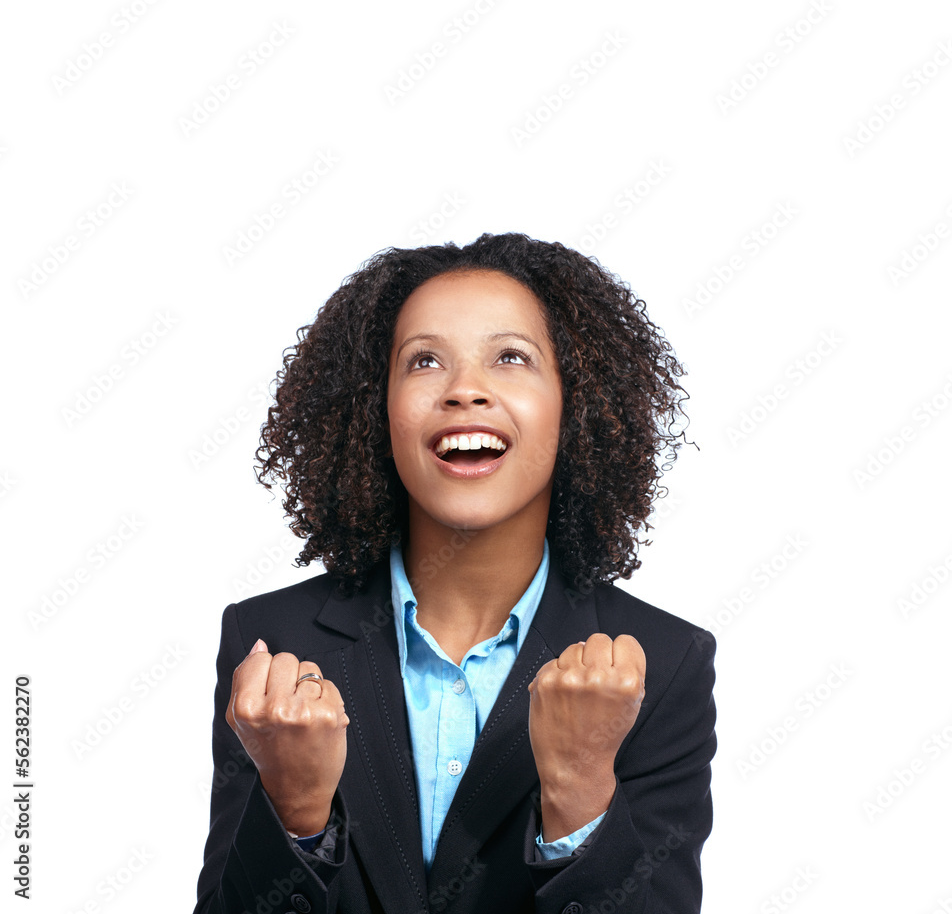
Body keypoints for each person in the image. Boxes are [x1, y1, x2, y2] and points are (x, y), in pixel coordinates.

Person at [193, 231, 717, 914]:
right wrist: (295, 815)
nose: (465, 390)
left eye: (510, 357)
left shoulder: (666, 664)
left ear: (575, 404)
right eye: (425, 362)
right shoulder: (270, 645)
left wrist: (581, 789)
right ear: (375, 412)